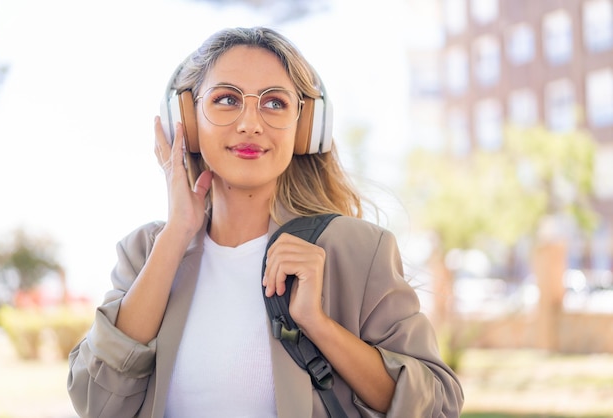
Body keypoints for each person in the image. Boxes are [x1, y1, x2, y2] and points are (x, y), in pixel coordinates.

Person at [67, 26, 464, 418]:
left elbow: (438, 406)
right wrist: (175, 236)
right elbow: (96, 404)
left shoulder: (357, 250)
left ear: (306, 128)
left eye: (275, 103)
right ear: (184, 118)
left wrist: (319, 324)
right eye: (226, 99)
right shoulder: (144, 253)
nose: (250, 124)